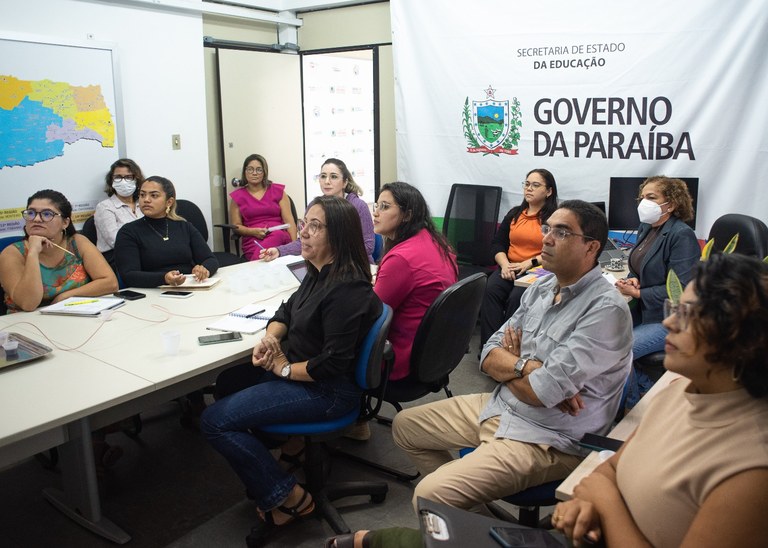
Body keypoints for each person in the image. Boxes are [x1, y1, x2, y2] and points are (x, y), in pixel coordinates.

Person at [392, 200, 633, 511]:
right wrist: (527, 366)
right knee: (404, 427)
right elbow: (488, 354)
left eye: (561, 232)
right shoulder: (541, 288)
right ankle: (475, 523)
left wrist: (514, 368)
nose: (546, 238)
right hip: (501, 406)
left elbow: (539, 392)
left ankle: (462, 520)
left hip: (547, 438)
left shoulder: (605, 310)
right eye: (548, 228)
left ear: (591, 248)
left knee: (430, 494)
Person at [200, 195, 383, 545]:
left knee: (214, 422)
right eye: (304, 224)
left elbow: (330, 365)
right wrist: (271, 339)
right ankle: (292, 447)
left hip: (326, 391)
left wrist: (283, 369)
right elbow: (285, 312)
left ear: (340, 236)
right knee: (228, 381)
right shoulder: (319, 271)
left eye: (315, 226)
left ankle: (288, 498)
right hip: (305, 373)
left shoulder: (347, 288)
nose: (305, 233)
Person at [553, 252, 768, 547]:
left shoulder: (752, 471)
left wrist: (604, 502)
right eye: (674, 309)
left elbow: (599, 486)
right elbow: (612, 468)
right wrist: (586, 504)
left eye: (687, 315)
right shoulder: (680, 390)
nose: (668, 322)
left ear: (743, 340)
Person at [614, 176, 699, 407]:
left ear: (670, 204)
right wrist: (633, 281)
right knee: (604, 342)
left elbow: (680, 289)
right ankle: (646, 395)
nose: (644, 203)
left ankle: (632, 408)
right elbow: (639, 268)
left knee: (618, 353)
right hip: (643, 313)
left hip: (668, 318)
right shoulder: (647, 227)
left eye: (651, 198)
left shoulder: (681, 235)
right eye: (642, 197)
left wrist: (640, 294)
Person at [373, 182, 458, 381]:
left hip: (398, 358)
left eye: (385, 207)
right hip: (432, 354)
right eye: (376, 206)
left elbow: (371, 314)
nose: (376, 213)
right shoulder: (434, 240)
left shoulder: (402, 259)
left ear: (408, 215)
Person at [1, 189, 118, 313]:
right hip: (25, 323)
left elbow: (110, 283)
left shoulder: (77, 242)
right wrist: (33, 252)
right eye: (31, 213)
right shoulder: (12, 253)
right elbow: (28, 304)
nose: (36, 219)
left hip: (73, 315)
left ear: (65, 222)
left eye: (46, 214)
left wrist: (66, 296)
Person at [480, 168, 559, 344]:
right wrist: (505, 265)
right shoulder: (515, 214)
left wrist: (528, 263)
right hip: (510, 266)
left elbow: (556, 249)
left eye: (536, 185)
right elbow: (497, 244)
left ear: (549, 191)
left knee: (518, 297)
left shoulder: (554, 218)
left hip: (537, 270)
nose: (529, 188)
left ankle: (511, 346)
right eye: (527, 184)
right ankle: (490, 346)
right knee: (491, 290)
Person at [259, 158, 375, 263]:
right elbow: (305, 241)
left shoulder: (358, 206)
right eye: (323, 176)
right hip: (324, 264)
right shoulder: (314, 207)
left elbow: (368, 246)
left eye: (333, 176)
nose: (327, 181)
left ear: (344, 182)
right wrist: (279, 251)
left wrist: (329, 254)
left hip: (355, 265)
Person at [114, 176, 219, 288]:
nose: (146, 200)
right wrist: (164, 278)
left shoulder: (184, 226)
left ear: (169, 202)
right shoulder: (128, 232)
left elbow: (210, 259)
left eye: (154, 195)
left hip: (189, 286)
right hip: (152, 291)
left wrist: (204, 270)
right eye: (142, 195)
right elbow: (129, 275)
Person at [229, 153, 297, 261]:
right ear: (244, 172)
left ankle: (255, 264)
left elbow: (290, 221)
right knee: (266, 259)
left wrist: (294, 248)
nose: (254, 173)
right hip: (253, 239)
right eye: (250, 169)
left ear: (264, 172)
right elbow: (236, 226)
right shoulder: (237, 197)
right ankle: (257, 262)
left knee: (278, 235)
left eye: (259, 170)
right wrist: (253, 232)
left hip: (279, 236)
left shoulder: (278, 191)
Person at [94, 158, 145, 263]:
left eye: (128, 177)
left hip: (144, 253)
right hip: (116, 258)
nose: (123, 181)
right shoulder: (105, 207)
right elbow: (116, 241)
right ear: (111, 180)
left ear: (137, 179)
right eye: (118, 177)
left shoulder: (143, 204)